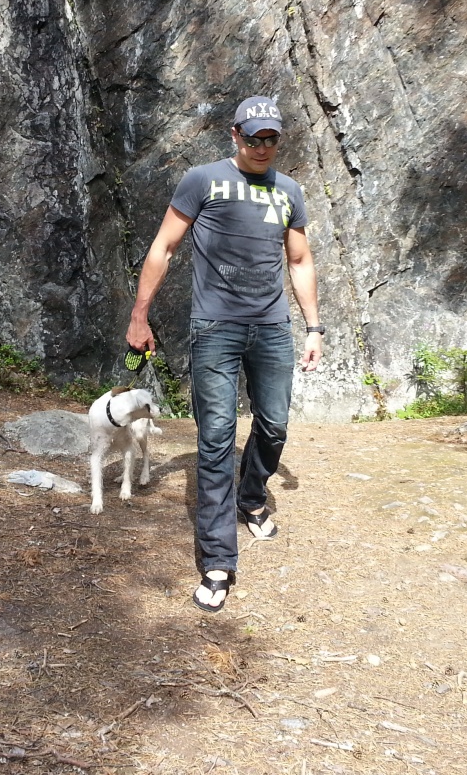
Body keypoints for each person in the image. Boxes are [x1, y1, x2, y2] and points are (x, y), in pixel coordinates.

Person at [126, 95, 323, 613]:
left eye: (271, 138)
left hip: (272, 328)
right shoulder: (203, 181)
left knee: (274, 425)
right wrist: (140, 315)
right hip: (215, 327)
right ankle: (218, 561)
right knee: (215, 438)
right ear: (235, 135)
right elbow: (163, 247)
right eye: (254, 137)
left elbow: (299, 261)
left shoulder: (289, 191)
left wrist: (313, 328)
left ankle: (251, 497)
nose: (263, 146)